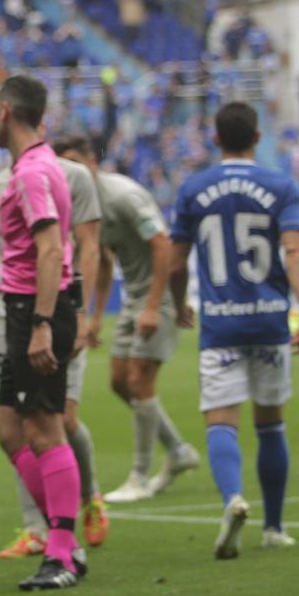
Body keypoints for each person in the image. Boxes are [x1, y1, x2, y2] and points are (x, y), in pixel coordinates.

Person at [168, 103, 299, 559]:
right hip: (270, 320)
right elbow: (294, 251)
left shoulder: (193, 188)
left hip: (221, 324)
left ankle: (233, 498)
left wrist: (179, 304)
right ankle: (273, 526)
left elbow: (175, 261)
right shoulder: (280, 185)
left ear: (215, 139)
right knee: (271, 424)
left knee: (221, 419)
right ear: (257, 136)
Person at [0, 133, 106, 560]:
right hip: (18, 316)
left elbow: (85, 246)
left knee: (56, 421)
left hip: (52, 310)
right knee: (13, 428)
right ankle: (50, 533)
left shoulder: (68, 177)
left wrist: (78, 315)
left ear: (8, 114)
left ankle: (83, 510)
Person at [53, 138, 201, 504]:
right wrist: (96, 316)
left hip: (160, 293)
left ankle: (139, 474)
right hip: (134, 295)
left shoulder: (122, 195)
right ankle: (179, 451)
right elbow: (101, 260)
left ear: (91, 160)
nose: (69, 171)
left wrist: (155, 306)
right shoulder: (80, 203)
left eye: (74, 162)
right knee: (120, 382)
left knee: (139, 378)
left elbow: (163, 244)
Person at [0, 76, 84, 591]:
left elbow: (50, 250)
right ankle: (66, 540)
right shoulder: (35, 167)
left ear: (5, 111)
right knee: (9, 428)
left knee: (45, 430)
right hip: (27, 310)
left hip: (35, 311)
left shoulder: (32, 173)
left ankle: (63, 553)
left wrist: (42, 324)